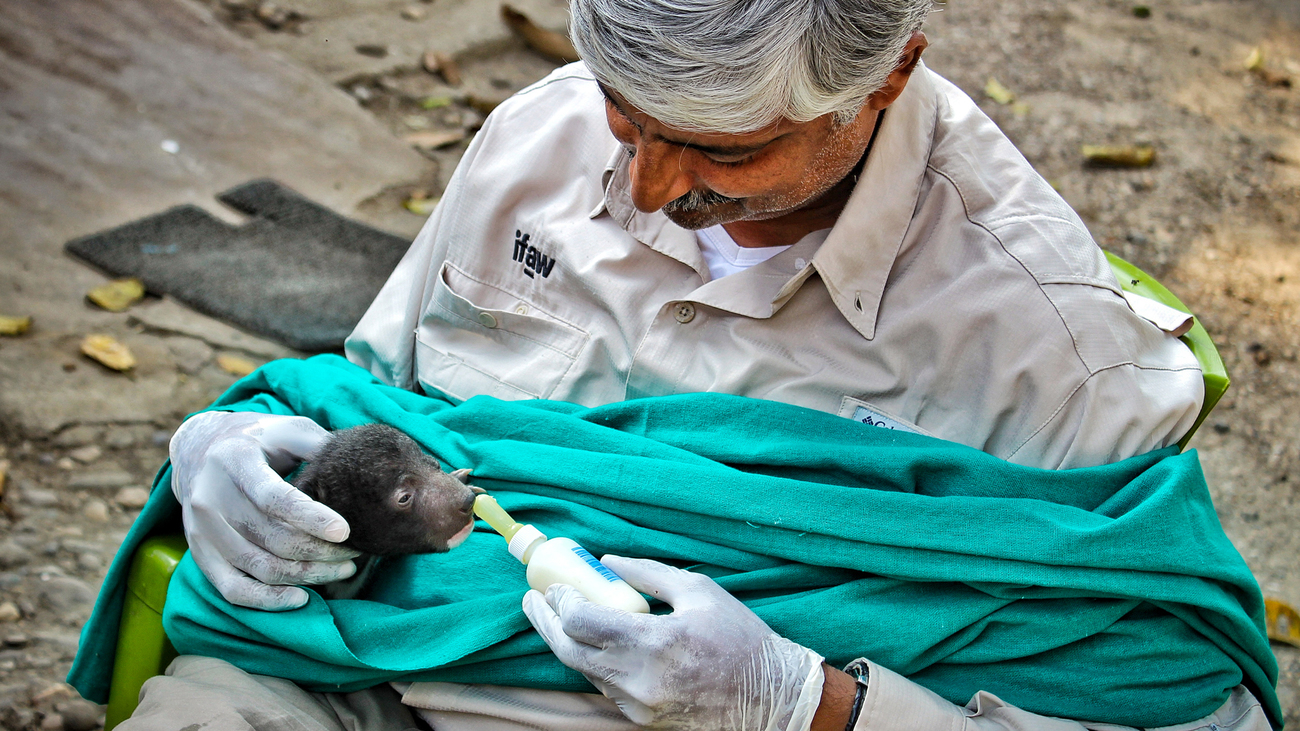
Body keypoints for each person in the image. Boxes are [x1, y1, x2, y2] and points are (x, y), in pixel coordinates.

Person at [125, 0, 1272, 729]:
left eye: (726, 148)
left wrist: (806, 703)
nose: (655, 190)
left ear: (885, 75)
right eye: (630, 121)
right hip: (377, 670)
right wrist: (247, 463)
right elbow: (378, 403)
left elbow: (1185, 703)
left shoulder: (1051, 356)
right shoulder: (544, 135)